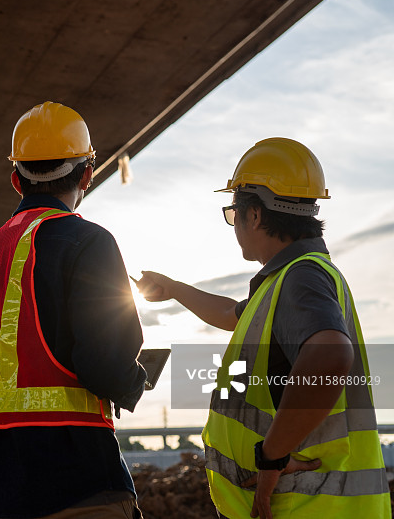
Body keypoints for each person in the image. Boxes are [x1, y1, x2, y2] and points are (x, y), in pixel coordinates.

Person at [137, 138, 390, 519]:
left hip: (303, 505)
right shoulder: (288, 280)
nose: (233, 224)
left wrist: (270, 458)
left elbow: (331, 357)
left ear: (253, 215)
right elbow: (232, 314)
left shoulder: (301, 277)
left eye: (232, 213)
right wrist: (172, 289)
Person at [0, 101, 147, 518]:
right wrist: (136, 383)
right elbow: (104, 364)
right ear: (87, 174)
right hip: (80, 486)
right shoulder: (89, 241)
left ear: (16, 180)